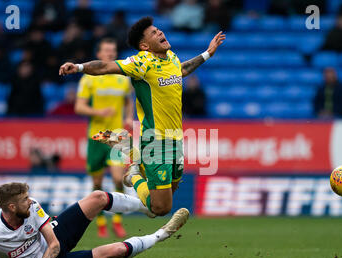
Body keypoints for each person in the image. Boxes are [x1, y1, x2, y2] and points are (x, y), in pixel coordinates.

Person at [59, 16, 225, 218]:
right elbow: (105, 67)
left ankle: (137, 160)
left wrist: (208, 54)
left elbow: (181, 69)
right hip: (156, 140)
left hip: (176, 138)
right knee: (160, 209)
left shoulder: (171, 57)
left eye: (159, 30)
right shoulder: (141, 63)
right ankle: (135, 173)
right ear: (145, 45)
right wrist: (79, 67)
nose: (160, 33)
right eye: (154, 33)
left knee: (162, 201)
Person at [0, 182, 189, 258]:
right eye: (24, 199)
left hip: (53, 241)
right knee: (116, 250)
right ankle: (162, 234)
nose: (31, 201)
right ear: (10, 207)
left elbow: (54, 243)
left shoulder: (33, 207)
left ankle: (147, 207)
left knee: (98, 197)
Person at [74, 38, 134, 238]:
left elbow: (128, 101)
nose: (110, 53)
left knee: (118, 178)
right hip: (97, 135)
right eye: (106, 50)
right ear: (99, 54)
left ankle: (117, 220)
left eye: (113, 50)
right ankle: (100, 221)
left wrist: (127, 117)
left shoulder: (122, 77)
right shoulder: (89, 78)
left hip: (116, 135)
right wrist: (99, 111)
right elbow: (79, 107)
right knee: (98, 183)